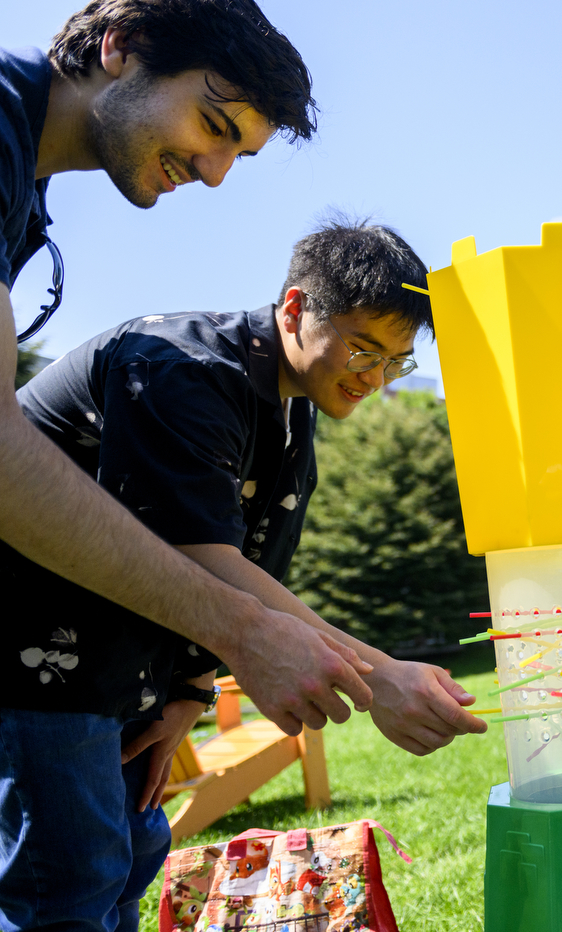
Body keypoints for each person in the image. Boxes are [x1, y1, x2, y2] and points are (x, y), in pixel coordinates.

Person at [1, 217, 490, 925]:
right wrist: (380, 675)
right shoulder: (185, 370)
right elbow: (199, 555)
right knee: (66, 892)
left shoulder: (294, 404)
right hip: (33, 661)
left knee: (127, 864)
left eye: (396, 362)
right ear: (294, 309)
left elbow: (252, 556)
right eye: (363, 348)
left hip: (123, 675)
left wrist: (194, 688)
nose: (375, 378)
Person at [1, 1, 378, 741]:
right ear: (121, 48)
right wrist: (241, 631)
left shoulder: (22, 180)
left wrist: (192, 683)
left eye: (239, 154)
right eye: (213, 126)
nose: (213, 175)